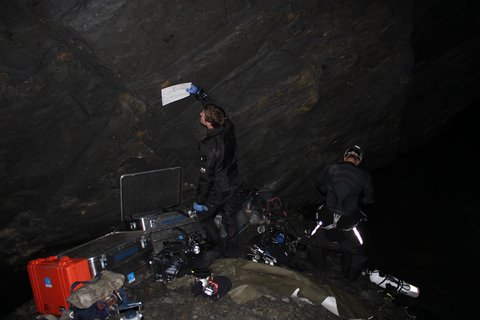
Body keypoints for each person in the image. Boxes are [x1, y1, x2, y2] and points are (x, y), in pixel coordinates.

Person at [185, 83, 243, 258]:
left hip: (219, 189)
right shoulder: (227, 126)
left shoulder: (209, 146)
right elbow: (216, 110)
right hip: (234, 182)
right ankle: (233, 253)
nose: (201, 113)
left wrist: (199, 200)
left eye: (203, 115)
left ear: (208, 123)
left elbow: (206, 176)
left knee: (204, 219)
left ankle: (218, 249)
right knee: (230, 217)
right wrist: (201, 94)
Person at [307, 145, 374, 284]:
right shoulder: (364, 175)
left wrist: (332, 191)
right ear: (359, 161)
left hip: (327, 217)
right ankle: (349, 280)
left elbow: (321, 187)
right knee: (359, 252)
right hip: (347, 221)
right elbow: (369, 200)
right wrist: (357, 199)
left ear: (344, 157)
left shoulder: (331, 168)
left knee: (311, 242)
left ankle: (319, 270)